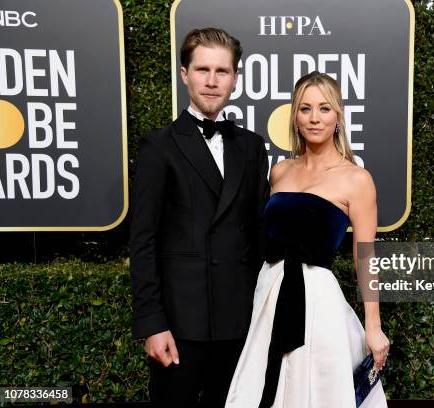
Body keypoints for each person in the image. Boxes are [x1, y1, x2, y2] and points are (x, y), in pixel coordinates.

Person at [225, 71, 389, 408]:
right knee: (259, 389)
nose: (314, 118)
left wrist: (374, 327)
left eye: (324, 109)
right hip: (269, 292)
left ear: (338, 117)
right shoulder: (280, 171)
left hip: (317, 300)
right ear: (295, 117)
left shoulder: (356, 179)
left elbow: (366, 257)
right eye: (305, 108)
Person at [129, 27, 269, 407]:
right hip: (180, 326)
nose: (211, 81)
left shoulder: (253, 147)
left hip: (240, 323)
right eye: (202, 69)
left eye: (222, 72)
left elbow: (259, 236)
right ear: (184, 74)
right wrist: (152, 324)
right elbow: (142, 242)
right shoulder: (158, 147)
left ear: (235, 79)